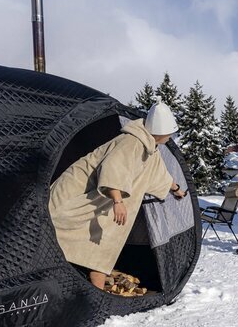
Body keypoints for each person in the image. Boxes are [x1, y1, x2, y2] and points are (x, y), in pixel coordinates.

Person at [48, 101, 187, 290]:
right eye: (170, 132)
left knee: (104, 241)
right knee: (62, 230)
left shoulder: (149, 147)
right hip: (78, 194)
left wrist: (177, 189)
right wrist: (118, 201)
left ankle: (96, 287)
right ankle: (85, 285)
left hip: (103, 200)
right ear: (161, 132)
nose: (171, 136)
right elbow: (113, 168)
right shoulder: (132, 142)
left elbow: (158, 174)